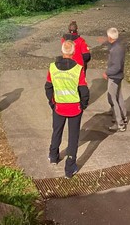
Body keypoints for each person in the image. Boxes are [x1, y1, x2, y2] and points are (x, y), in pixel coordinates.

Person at [45, 40, 89, 178]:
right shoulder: (78, 69)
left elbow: (48, 87)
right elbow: (84, 90)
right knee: (73, 137)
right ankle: (69, 168)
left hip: (59, 107)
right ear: (74, 52)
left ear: (62, 51)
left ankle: (53, 156)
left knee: (56, 130)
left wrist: (53, 103)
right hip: (75, 108)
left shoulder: (52, 67)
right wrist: (83, 104)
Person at [102, 27, 127, 132]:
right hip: (119, 76)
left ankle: (119, 122)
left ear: (110, 37)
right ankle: (123, 117)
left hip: (114, 77)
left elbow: (116, 67)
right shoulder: (120, 46)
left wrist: (107, 72)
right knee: (118, 97)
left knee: (112, 98)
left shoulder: (115, 50)